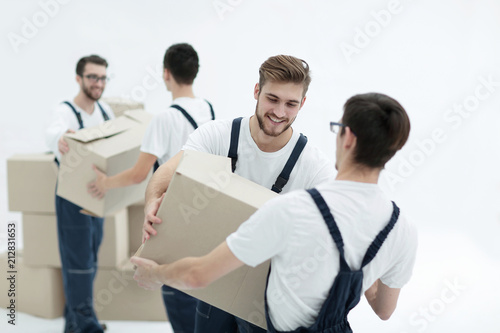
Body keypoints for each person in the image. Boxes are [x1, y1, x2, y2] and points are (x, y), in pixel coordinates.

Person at [131, 92, 418, 333]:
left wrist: (156, 273)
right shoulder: (401, 228)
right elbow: (383, 310)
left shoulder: (293, 209)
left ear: (348, 138)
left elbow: (198, 276)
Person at [139, 54, 335, 333]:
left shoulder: (314, 166)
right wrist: (151, 205)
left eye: (291, 104)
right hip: (214, 284)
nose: (280, 112)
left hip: (268, 298)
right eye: (272, 99)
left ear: (302, 104)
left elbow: (331, 232)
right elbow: (165, 175)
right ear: (256, 91)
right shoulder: (217, 136)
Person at [86, 43, 215, 333]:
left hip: (173, 217)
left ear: (166, 73)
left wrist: (103, 183)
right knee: (199, 292)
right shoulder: (208, 109)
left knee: (174, 291)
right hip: (205, 212)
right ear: (195, 73)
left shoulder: (164, 119)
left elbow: (138, 175)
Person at [45, 54, 114, 333]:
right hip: (73, 198)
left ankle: (74, 322)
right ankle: (86, 326)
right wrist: (61, 138)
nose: (98, 83)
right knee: (79, 263)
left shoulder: (105, 111)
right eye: (92, 77)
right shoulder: (65, 111)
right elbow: (53, 133)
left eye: (102, 78)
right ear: (79, 78)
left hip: (98, 196)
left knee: (92, 258)